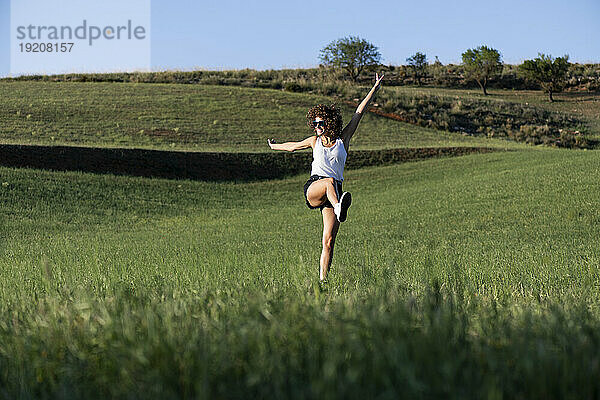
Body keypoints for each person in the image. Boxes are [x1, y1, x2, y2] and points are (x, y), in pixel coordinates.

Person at [268, 73, 384, 283]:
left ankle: (323, 281)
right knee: (329, 182)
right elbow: (292, 147)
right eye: (314, 123)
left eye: (320, 123)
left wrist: (375, 87)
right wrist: (273, 145)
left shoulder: (343, 140)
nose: (316, 126)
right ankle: (340, 207)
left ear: (329, 123)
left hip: (335, 192)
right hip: (315, 187)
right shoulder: (314, 141)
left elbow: (359, 112)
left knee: (329, 241)